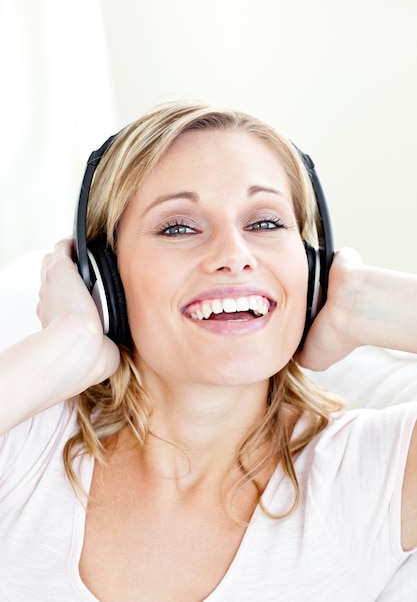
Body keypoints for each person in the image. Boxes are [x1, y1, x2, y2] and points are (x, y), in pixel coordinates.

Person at [1, 100, 417, 602]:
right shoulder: (25, 443)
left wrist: (366, 304)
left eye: (265, 223)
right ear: (104, 279)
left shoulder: (367, 472)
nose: (233, 257)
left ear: (311, 268)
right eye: (178, 227)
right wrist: (70, 343)